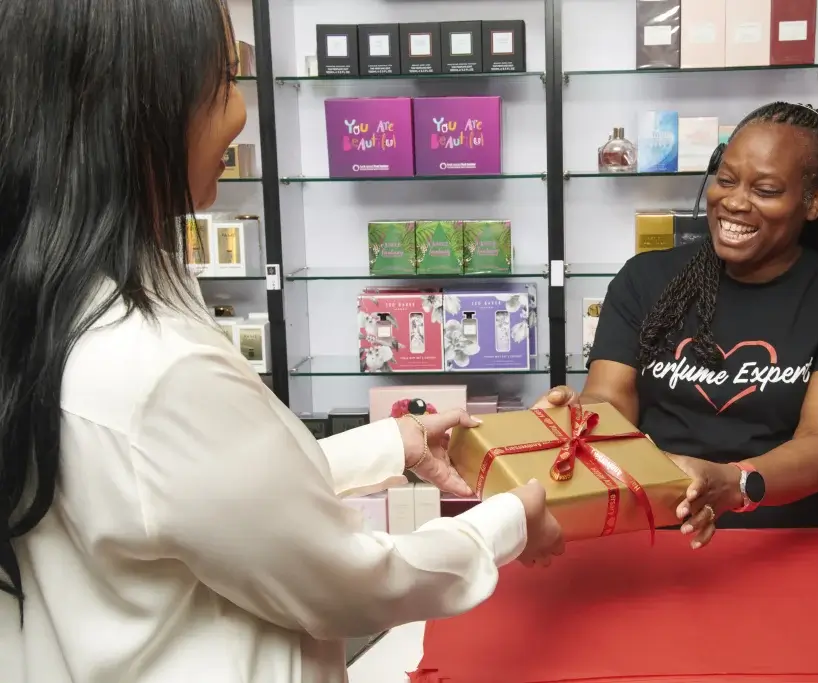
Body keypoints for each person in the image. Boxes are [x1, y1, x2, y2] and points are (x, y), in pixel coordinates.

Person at [0, 1, 562, 681]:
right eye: (220, 87)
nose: (240, 116)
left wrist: (391, 444)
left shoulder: (57, 309)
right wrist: (509, 519)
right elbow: (348, 581)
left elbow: (201, 497)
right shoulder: (153, 368)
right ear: (132, 114)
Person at [538, 102, 818, 550]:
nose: (734, 201)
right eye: (726, 180)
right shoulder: (644, 280)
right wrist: (579, 419)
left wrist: (733, 483)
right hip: (652, 535)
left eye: (765, 190)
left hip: (787, 546)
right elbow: (610, 396)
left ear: (814, 202)